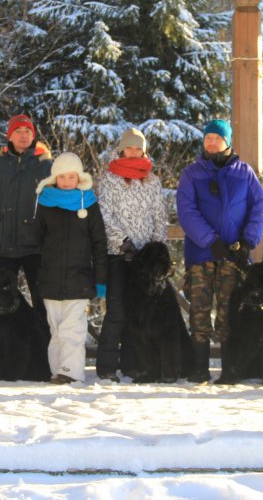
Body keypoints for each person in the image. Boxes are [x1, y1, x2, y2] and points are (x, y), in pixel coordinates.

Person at [176, 119, 263, 382]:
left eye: (217, 138)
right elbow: (187, 211)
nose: (212, 142)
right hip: (201, 255)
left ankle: (230, 369)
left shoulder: (244, 172)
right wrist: (210, 240)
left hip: (234, 256)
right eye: (207, 139)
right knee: (199, 312)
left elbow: (259, 207)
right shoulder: (191, 174)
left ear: (227, 141)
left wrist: (248, 241)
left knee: (230, 312)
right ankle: (199, 369)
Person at [95, 128, 168, 381]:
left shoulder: (152, 181)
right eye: (130, 147)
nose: (134, 151)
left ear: (144, 150)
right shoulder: (109, 179)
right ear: (122, 149)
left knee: (139, 311)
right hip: (119, 254)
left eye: (139, 148)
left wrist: (156, 250)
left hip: (146, 260)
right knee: (116, 311)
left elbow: (160, 217)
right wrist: (123, 243)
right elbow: (104, 215)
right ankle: (105, 367)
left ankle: (132, 364)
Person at [33, 152, 108, 384]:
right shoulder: (44, 203)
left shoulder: (90, 204)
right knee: (56, 328)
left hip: (80, 278)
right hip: (51, 278)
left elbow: (99, 244)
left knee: (73, 328)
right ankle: (57, 371)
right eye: (62, 177)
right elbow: (37, 240)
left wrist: (101, 280)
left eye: (71, 177)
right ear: (55, 178)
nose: (66, 181)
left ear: (79, 178)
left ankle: (71, 372)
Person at [0, 115, 53, 312]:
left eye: (27, 132)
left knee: (42, 301)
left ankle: (43, 341)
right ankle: (10, 343)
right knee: (3, 302)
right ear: (10, 136)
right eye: (18, 132)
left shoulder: (46, 166)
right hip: (4, 244)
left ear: (33, 136)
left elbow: (56, 207)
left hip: (36, 245)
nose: (23, 136)